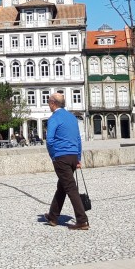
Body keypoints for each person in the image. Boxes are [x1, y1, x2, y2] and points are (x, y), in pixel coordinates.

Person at [43, 92, 88, 230]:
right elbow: (78, 139)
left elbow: (49, 140)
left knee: (69, 187)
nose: (48, 104)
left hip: (61, 156)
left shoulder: (54, 118)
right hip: (73, 156)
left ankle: (82, 220)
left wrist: (53, 156)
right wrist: (78, 158)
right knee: (62, 186)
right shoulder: (72, 117)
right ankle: (53, 216)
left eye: (48, 101)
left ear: (53, 103)